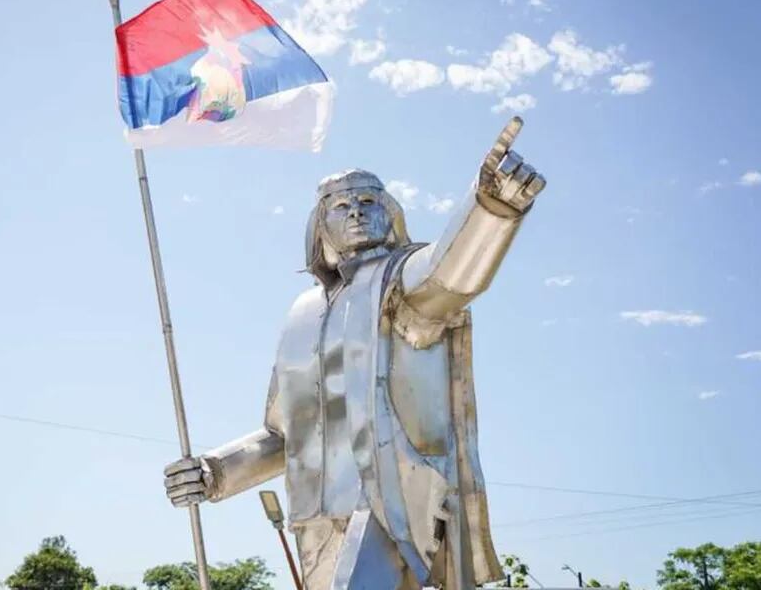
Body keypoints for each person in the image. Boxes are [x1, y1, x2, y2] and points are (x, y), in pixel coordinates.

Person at [164, 118, 546, 590]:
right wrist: (214, 471)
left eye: (368, 202)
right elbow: (284, 435)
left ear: (391, 213)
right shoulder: (301, 314)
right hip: (315, 518)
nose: (356, 212)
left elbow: (450, 277)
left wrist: (491, 208)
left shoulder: (398, 281)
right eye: (341, 205)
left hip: (392, 508)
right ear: (320, 224)